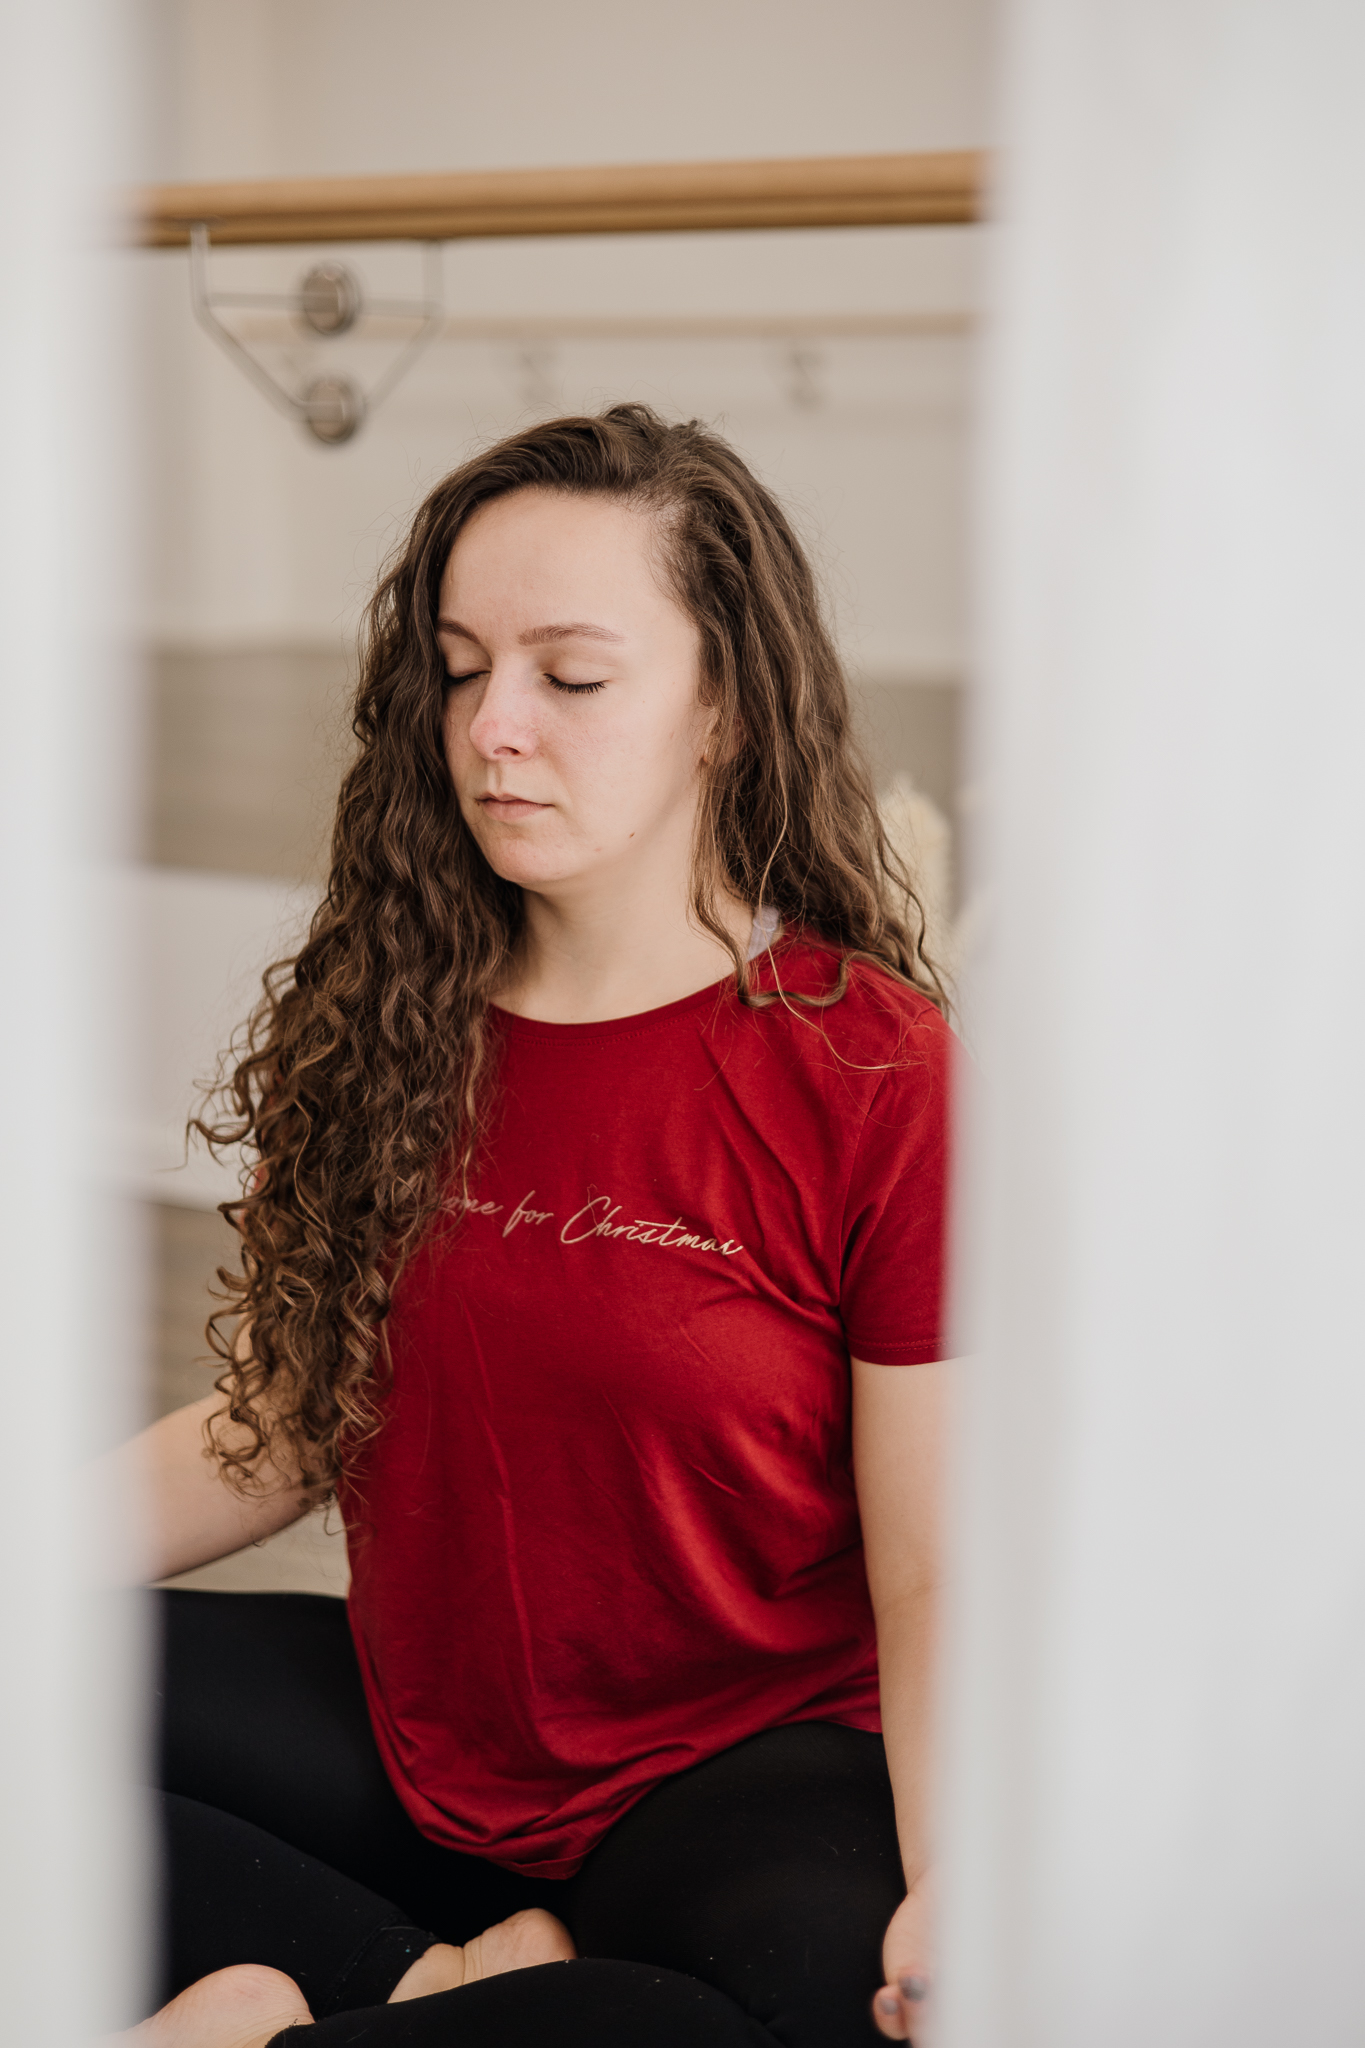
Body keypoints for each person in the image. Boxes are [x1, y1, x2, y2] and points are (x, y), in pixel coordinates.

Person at [117, 403, 955, 2048]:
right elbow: (291, 1420)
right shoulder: (388, 1013)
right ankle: (433, 1985)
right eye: (457, 666)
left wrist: (956, 1877)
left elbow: (935, 1565)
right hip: (421, 1732)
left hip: (737, 1780)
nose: (494, 726)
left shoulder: (875, 1072)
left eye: (570, 678)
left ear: (720, 706)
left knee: (797, 2010)